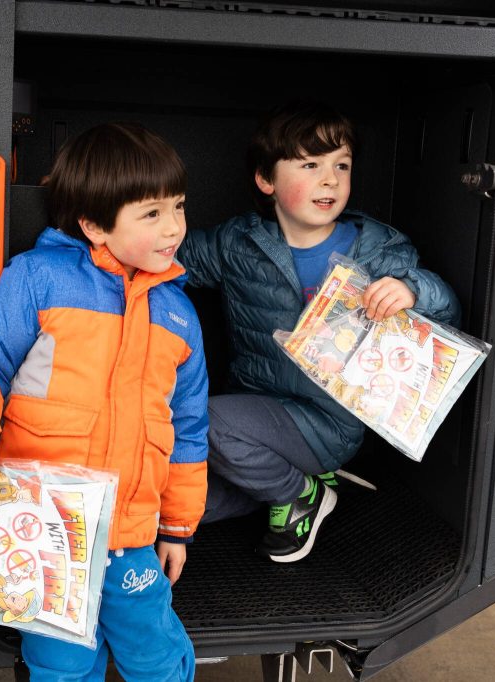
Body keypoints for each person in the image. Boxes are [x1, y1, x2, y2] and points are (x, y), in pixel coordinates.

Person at [0, 122, 208, 681]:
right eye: (151, 214)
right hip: (47, 533)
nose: (174, 228)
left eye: (178, 207)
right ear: (94, 225)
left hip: (131, 536)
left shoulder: (180, 314)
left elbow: (187, 427)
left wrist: (177, 527)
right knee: (60, 667)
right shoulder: (40, 279)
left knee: (154, 654)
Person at [178, 101, 460, 563]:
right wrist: (97, 219)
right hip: (257, 411)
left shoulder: (376, 249)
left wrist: (412, 291)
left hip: (329, 422)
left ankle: (298, 494)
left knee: (204, 422)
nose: (330, 179)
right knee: (179, 501)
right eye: (311, 165)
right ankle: (284, 484)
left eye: (341, 166)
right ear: (267, 180)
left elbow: (447, 313)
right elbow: (168, 254)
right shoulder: (240, 243)